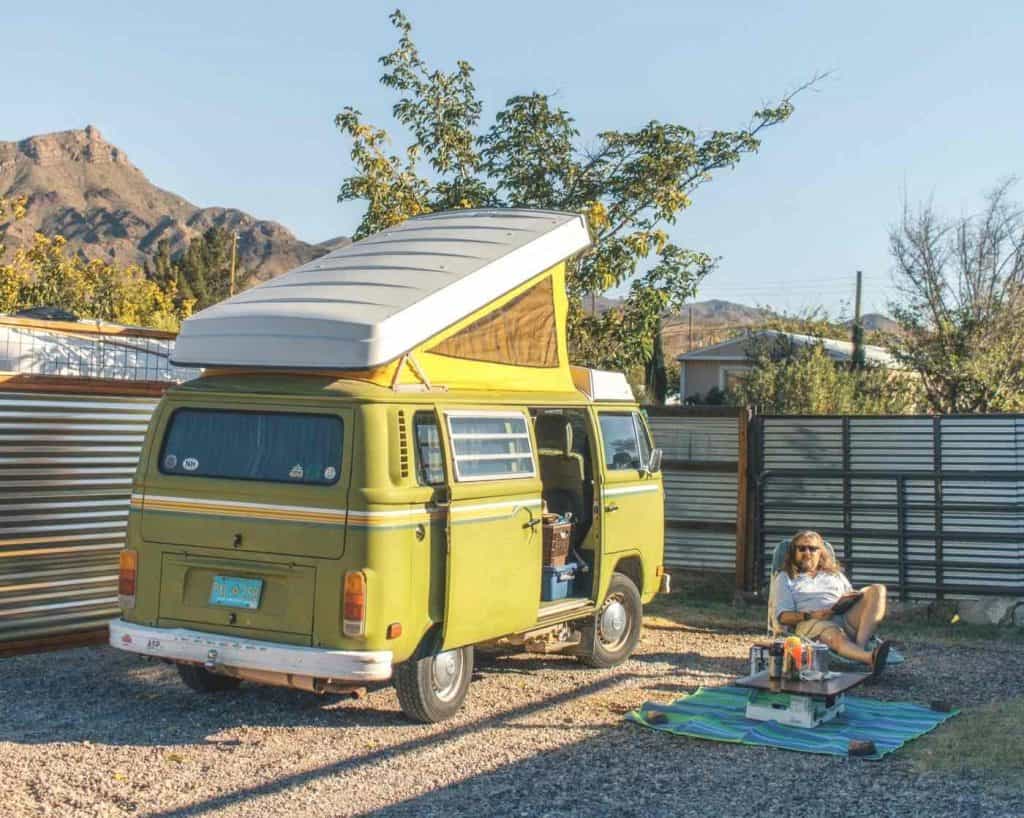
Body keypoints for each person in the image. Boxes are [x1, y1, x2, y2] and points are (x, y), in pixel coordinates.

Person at [773, 530, 891, 677]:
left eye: (813, 549)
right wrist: (811, 615)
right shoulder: (786, 577)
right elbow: (783, 616)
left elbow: (852, 596)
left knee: (878, 589)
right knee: (834, 633)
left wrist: (850, 599)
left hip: (842, 616)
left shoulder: (834, 574)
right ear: (793, 552)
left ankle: (859, 647)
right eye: (802, 548)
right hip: (813, 623)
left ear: (820, 553)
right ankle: (870, 658)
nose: (807, 552)